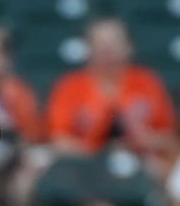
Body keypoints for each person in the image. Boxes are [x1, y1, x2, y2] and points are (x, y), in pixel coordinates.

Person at [46, 17, 175, 157]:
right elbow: (59, 141)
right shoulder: (70, 86)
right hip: (84, 167)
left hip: (142, 161)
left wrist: (140, 139)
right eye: (100, 43)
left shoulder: (147, 82)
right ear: (87, 48)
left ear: (129, 46)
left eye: (114, 42)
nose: (107, 49)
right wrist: (97, 151)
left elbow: (169, 138)